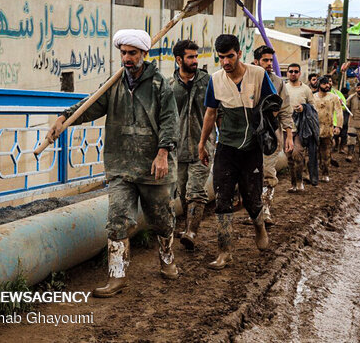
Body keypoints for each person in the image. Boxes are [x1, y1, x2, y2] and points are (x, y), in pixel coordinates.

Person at [48, 29, 180, 298]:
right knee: (117, 220)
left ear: (144, 54)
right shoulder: (115, 84)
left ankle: (167, 259)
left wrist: (163, 153)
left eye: (132, 53)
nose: (127, 58)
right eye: (123, 53)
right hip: (120, 164)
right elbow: (91, 105)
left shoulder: (159, 85)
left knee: (161, 220)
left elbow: (169, 121)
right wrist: (64, 118)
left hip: (153, 167)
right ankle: (116, 276)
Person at [199, 34, 275, 270]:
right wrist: (202, 143)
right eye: (221, 57)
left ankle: (259, 226)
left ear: (239, 53)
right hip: (227, 147)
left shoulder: (258, 75)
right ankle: (224, 251)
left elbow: (274, 104)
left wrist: (271, 130)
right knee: (222, 199)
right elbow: (210, 113)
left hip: (251, 148)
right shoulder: (215, 80)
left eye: (229, 56)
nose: (225, 62)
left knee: (252, 198)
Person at [169, 40, 213, 251]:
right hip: (177, 151)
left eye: (196, 57)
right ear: (179, 60)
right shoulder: (169, 86)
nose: (195, 61)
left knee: (196, 191)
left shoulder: (208, 82)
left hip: (202, 147)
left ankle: (191, 232)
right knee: (182, 191)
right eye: (190, 57)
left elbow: (217, 112)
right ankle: (188, 227)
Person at [253, 45, 293, 226]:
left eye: (271, 60)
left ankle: (265, 210)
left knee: (268, 171)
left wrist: (289, 135)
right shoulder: (247, 78)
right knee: (250, 173)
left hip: (270, 134)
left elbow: (285, 109)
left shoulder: (278, 83)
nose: (269, 64)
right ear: (256, 61)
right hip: (249, 134)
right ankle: (253, 209)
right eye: (265, 60)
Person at [285, 63, 318, 191]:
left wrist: (304, 108)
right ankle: (293, 184)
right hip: (285, 128)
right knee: (289, 157)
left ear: (299, 73)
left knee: (297, 154)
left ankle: (300, 182)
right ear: (287, 73)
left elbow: (313, 107)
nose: (293, 74)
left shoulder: (305, 90)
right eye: (291, 71)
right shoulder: (283, 88)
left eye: (296, 71)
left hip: (301, 128)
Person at [313, 76, 343, 182]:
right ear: (319, 85)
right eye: (324, 83)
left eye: (328, 84)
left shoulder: (333, 97)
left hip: (328, 129)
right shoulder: (313, 97)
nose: (327, 85)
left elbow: (339, 112)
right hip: (315, 130)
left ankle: (325, 173)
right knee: (313, 153)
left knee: (325, 154)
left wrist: (338, 126)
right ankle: (312, 174)